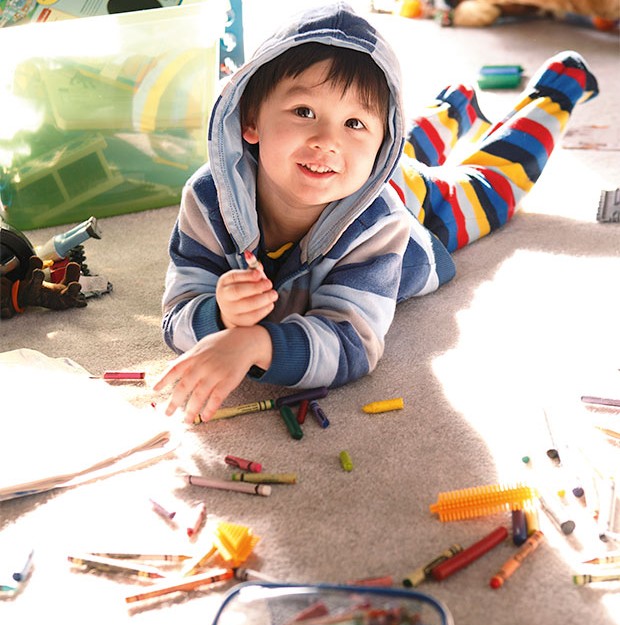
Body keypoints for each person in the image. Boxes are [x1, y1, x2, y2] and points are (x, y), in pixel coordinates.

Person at [153, 2, 598, 423]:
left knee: (491, 187)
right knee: (375, 154)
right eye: (304, 111)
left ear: (380, 142)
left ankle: (558, 88)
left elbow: (352, 344)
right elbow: (178, 313)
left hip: (414, 215)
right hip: (364, 171)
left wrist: (254, 341)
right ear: (250, 119)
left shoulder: (380, 225)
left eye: (353, 123)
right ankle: (454, 107)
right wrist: (220, 317)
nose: (326, 138)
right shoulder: (210, 198)